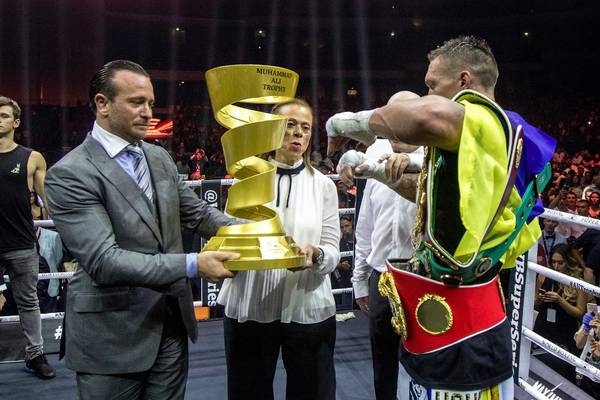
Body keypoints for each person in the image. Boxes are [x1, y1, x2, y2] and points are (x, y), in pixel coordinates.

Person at [326, 35, 555, 397]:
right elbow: (433, 199)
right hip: (471, 308)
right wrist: (378, 172)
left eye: (432, 85)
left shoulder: (483, 119)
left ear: (464, 81)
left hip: (462, 316)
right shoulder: (497, 137)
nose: (428, 93)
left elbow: (424, 116)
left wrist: (342, 123)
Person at [44, 60, 238, 399]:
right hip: (111, 334)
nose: (148, 112)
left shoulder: (158, 157)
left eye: (150, 102)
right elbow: (105, 260)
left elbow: (198, 214)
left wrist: (258, 233)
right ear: (102, 103)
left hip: (171, 324)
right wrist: (193, 264)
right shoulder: (70, 173)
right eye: (136, 102)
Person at [217, 98, 341, 400]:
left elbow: (332, 248)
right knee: (248, 392)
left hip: (307, 301)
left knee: (312, 392)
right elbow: (231, 237)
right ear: (271, 130)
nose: (299, 133)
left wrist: (316, 255)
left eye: (305, 128)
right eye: (290, 125)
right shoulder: (247, 179)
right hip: (251, 301)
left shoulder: (324, 185)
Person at [345, 137, 421, 400]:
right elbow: (365, 226)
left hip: (423, 279)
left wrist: (411, 161)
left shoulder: (438, 157)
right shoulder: (377, 156)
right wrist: (359, 280)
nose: (397, 134)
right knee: (382, 360)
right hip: (382, 277)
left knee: (424, 361)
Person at [0, 95, 55, 379]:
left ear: (16, 122)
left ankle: (36, 354)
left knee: (28, 301)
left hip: (20, 242)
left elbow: (49, 201)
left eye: (4, 116)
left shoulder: (32, 158)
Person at [534, 244, 586, 382]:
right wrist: (539, 299)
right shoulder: (543, 275)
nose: (556, 266)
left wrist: (560, 300)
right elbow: (534, 303)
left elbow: (580, 313)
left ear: (568, 262)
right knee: (539, 366)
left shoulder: (578, 282)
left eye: (560, 263)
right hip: (544, 325)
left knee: (564, 371)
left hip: (565, 330)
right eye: (553, 262)